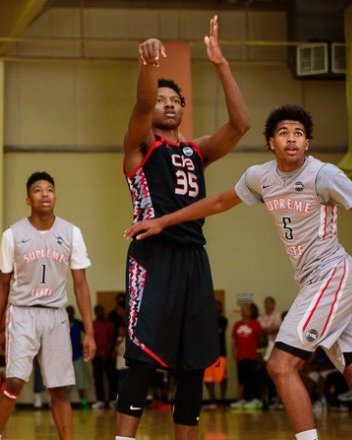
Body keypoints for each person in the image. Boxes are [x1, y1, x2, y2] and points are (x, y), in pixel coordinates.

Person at [124, 104, 352, 440]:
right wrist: (162, 220)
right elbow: (219, 202)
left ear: (307, 143)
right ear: (271, 142)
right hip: (312, 281)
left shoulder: (323, 174)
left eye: (299, 134)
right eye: (284, 133)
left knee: (280, 366)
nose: (292, 139)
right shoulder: (260, 177)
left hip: (333, 274)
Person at [116, 15, 250, 440]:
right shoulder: (141, 146)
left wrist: (221, 64)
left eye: (175, 99)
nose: (168, 104)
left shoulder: (196, 151)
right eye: (161, 99)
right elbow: (140, 106)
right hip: (154, 255)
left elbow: (240, 125)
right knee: (141, 357)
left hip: (195, 258)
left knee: (195, 362)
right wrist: (149, 66)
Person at [0, 171, 96, 440]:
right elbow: (2, 284)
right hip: (22, 313)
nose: (44, 194)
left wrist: (90, 332)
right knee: (14, 382)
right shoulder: (12, 235)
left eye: (49, 189)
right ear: (28, 199)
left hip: (56, 315)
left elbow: (81, 285)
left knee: (59, 388)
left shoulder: (72, 233)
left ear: (55, 196)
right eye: (38, 190)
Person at [230, 303, 263, 410]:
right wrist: (233, 352)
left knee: (251, 378)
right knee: (241, 379)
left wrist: (259, 354)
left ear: (251, 312)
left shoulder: (255, 324)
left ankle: (251, 399)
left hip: (252, 356)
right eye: (243, 310)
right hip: (241, 356)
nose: (244, 312)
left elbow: (260, 340)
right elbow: (234, 341)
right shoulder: (237, 324)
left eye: (247, 310)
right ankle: (241, 400)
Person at [203, 300, 228, 408]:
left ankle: (222, 399)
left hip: (220, 352)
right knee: (208, 378)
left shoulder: (223, 320)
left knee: (222, 377)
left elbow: (218, 331)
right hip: (208, 352)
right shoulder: (205, 318)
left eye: (217, 305)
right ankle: (211, 398)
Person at [91, 304, 115, 409]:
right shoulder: (92, 324)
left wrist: (107, 353)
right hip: (96, 355)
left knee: (112, 378)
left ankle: (112, 400)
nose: (100, 312)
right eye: (97, 311)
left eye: (101, 310)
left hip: (108, 355)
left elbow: (112, 339)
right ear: (95, 312)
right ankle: (100, 400)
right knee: (98, 379)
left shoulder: (109, 324)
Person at [67, 306, 90, 410]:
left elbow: (87, 335)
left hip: (78, 356)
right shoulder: (61, 324)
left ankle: (83, 401)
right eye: (68, 311)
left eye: (72, 311)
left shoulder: (78, 324)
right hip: (65, 358)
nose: (70, 313)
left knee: (81, 380)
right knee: (65, 382)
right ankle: (65, 404)